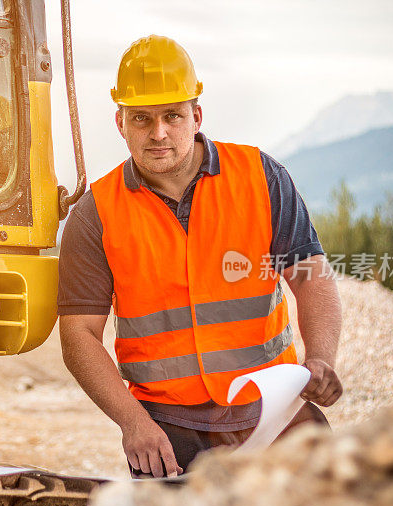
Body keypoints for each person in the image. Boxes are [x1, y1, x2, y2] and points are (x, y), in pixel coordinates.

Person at [58, 35, 343, 478]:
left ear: (197, 116)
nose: (158, 133)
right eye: (141, 119)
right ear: (120, 122)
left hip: (275, 410)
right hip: (168, 429)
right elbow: (79, 336)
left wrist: (321, 356)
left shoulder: (261, 177)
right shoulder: (95, 214)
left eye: (173, 116)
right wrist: (133, 422)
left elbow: (311, 274)